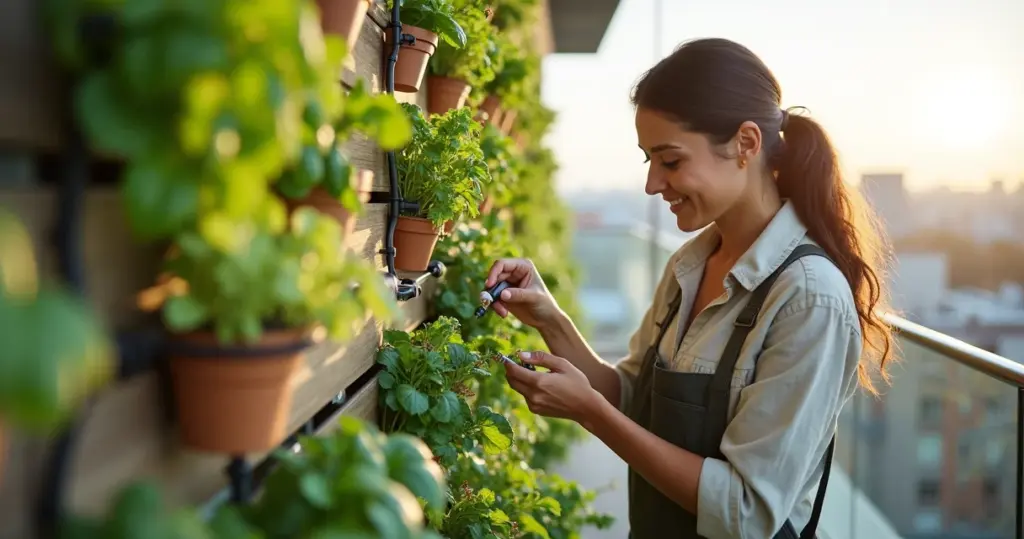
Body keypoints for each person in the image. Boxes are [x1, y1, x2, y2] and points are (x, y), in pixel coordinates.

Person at [485, 38, 896, 539]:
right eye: (648, 161)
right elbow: (634, 397)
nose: (653, 185)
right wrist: (549, 317)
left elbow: (746, 513)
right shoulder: (691, 263)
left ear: (746, 143)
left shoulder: (809, 299)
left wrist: (590, 414)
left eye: (671, 161)